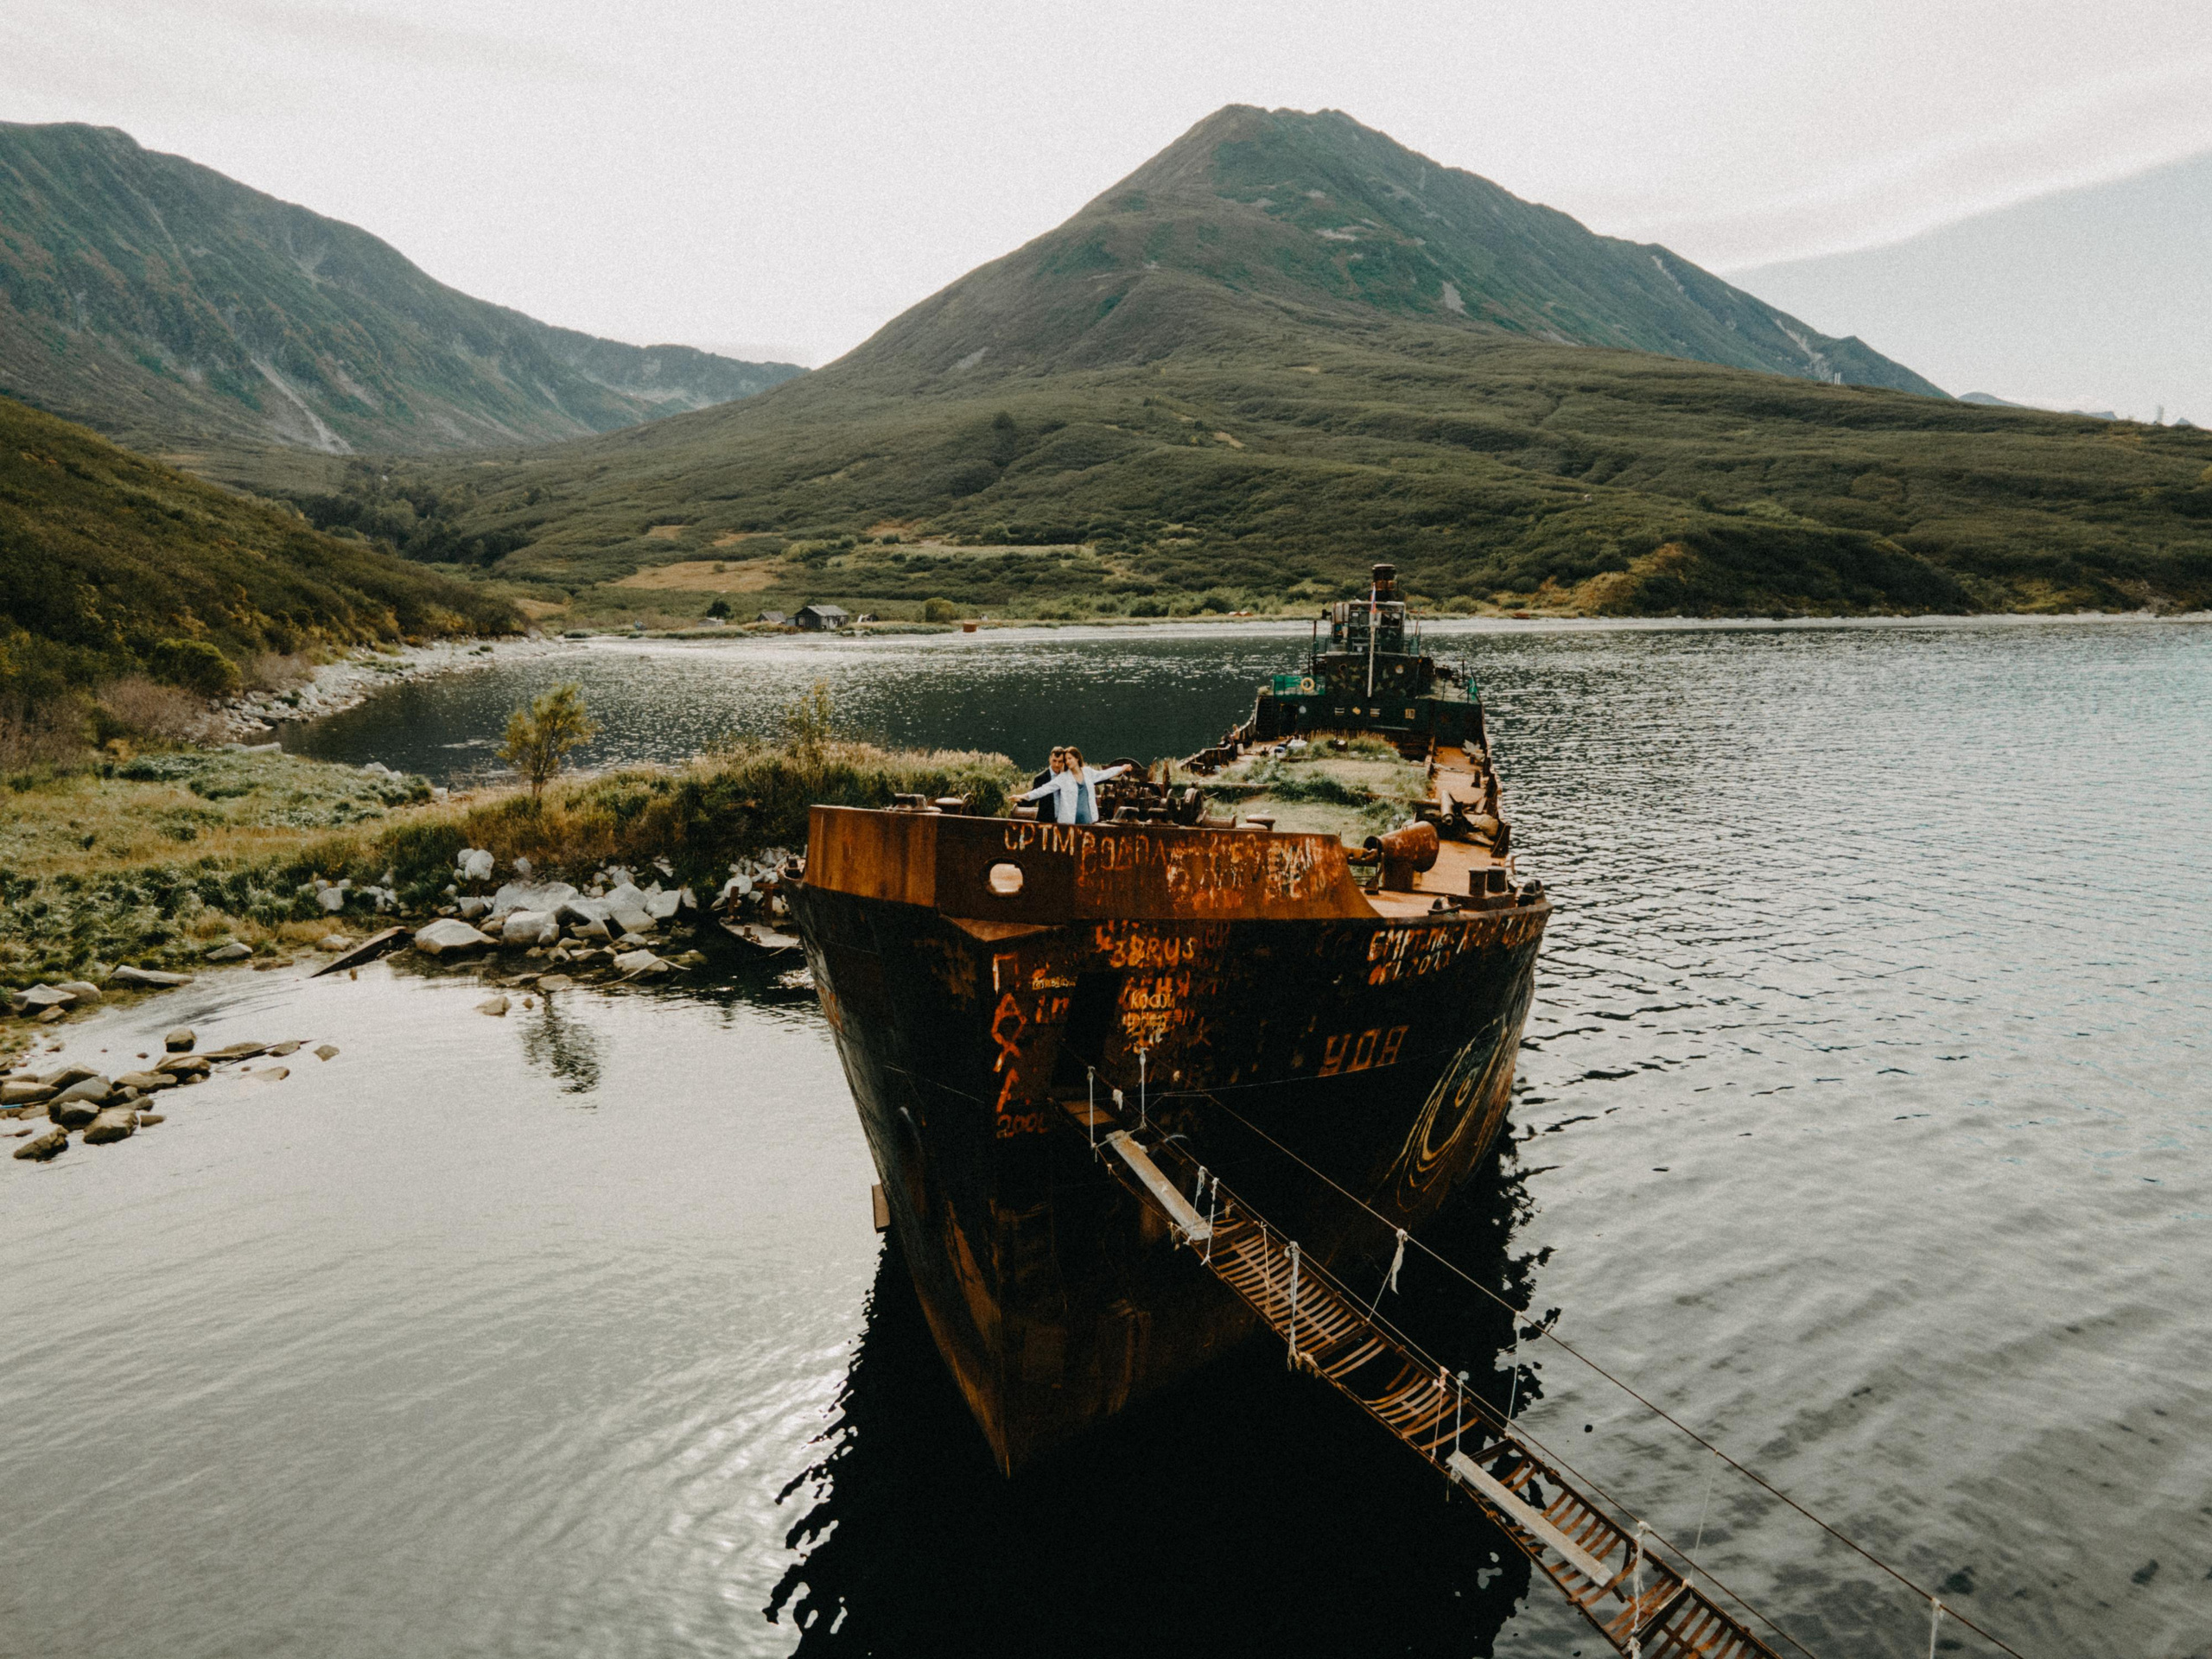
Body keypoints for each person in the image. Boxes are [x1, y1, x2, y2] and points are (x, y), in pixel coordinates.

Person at [1019, 745, 1129, 825]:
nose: (1067, 762)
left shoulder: (1088, 772)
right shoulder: (1063, 777)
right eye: (1066, 760)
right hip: (1069, 821)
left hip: (1088, 820)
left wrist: (1121, 768)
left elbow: (1104, 774)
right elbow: (1043, 790)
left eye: (1069, 758)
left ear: (1077, 758)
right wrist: (1023, 796)